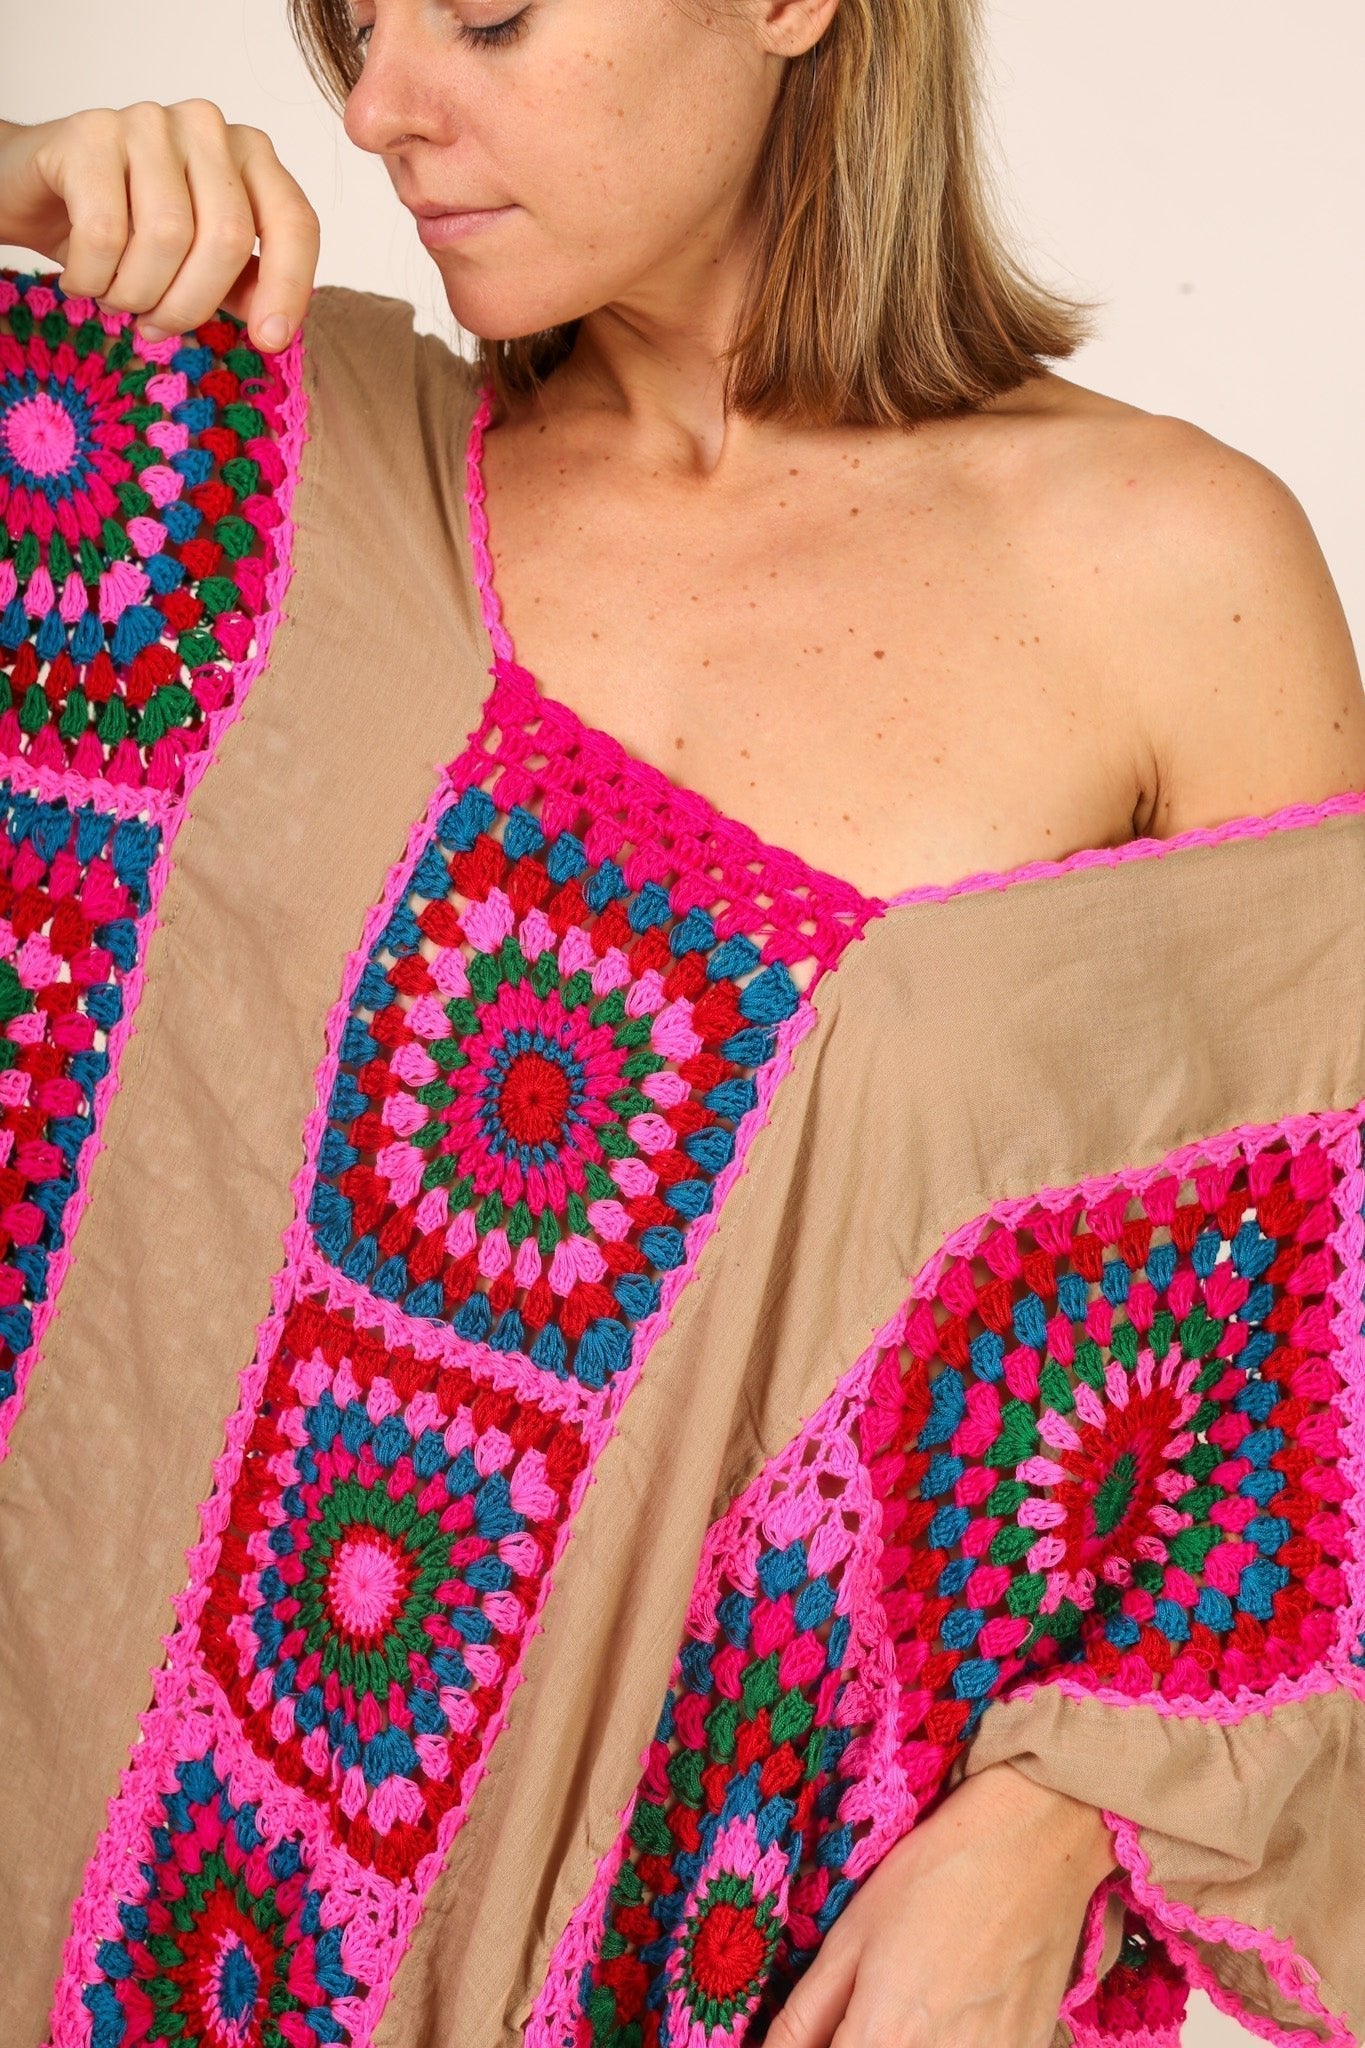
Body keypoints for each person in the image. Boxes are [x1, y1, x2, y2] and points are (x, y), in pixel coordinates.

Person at [0, 5, 1361, 2047]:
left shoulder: (1169, 585)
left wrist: (1062, 1825)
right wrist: (13, 171)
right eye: (355, 21)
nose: (375, 108)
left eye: (487, 14)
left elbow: (1316, 1370)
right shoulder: (227, 462)